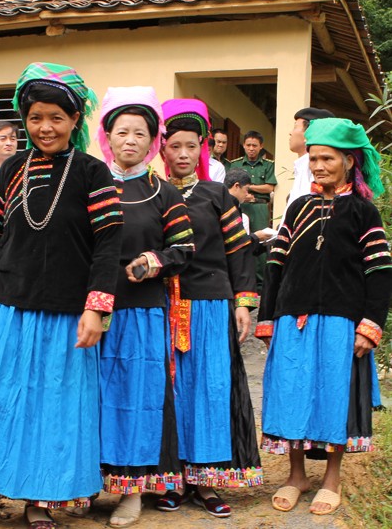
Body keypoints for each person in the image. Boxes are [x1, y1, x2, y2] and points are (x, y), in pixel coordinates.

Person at [0, 62, 123, 529]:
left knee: (54, 403)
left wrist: (97, 308)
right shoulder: (12, 168)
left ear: (76, 120)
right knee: (0, 397)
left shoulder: (94, 173)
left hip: (68, 312)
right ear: (24, 121)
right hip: (11, 306)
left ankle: (40, 496)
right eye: (35, 118)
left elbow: (109, 243)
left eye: (56, 117)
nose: (45, 127)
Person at [255, 118, 391, 516]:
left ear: (348, 160)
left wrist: (370, 325)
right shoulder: (298, 208)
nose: (317, 165)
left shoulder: (364, 213)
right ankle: (296, 475)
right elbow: (276, 265)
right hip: (292, 320)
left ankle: (332, 479)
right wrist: (268, 319)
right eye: (313, 158)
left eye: (327, 158)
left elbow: (380, 272)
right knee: (291, 393)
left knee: (335, 398)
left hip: (340, 322)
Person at [157, 99, 262, 519]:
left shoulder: (217, 194)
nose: (183, 154)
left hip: (210, 303)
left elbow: (239, 251)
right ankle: (173, 479)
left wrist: (243, 302)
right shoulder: (152, 192)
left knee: (210, 388)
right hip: (162, 305)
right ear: (162, 149)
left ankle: (207, 481)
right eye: (175, 146)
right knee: (171, 391)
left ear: (202, 149)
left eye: (191, 146)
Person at [96, 86, 194, 528]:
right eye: (122, 131)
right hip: (91, 310)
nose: (130, 140)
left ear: (153, 141)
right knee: (91, 395)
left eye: (140, 133)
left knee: (136, 398)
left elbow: (185, 249)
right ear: (108, 137)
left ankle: (132, 492)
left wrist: (156, 261)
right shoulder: (89, 183)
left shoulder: (163, 193)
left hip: (141, 310)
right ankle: (87, 481)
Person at [230, 130, 276, 292]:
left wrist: (247, 187)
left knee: (261, 243)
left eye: (254, 146)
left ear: (261, 147)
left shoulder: (269, 165)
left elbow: (269, 187)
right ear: (243, 145)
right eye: (248, 145)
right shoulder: (234, 164)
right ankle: (243, 280)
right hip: (240, 206)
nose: (251, 148)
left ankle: (261, 284)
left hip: (259, 207)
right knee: (240, 240)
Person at [282, 107, 335, 222]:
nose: (290, 132)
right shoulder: (301, 167)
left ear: (308, 134)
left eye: (295, 126)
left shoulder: (315, 169)